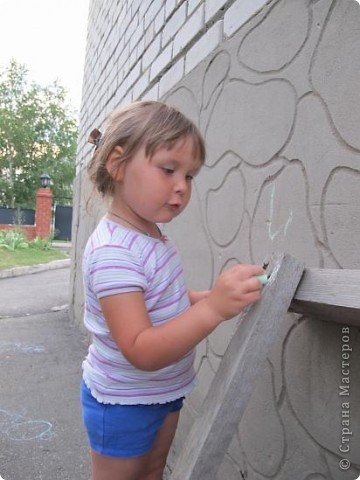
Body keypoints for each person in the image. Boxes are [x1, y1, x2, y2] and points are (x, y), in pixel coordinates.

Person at [80, 100, 265, 480]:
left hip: (163, 392)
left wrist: (217, 298)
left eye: (190, 176)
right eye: (169, 170)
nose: (182, 186)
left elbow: (167, 303)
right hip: (124, 403)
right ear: (117, 164)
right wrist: (212, 309)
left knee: (153, 472)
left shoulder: (150, 235)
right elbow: (141, 348)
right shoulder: (114, 252)